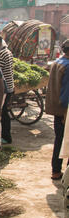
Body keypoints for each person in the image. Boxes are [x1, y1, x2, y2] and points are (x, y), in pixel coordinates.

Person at [45, 39, 69, 180]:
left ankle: (56, 170)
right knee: (64, 141)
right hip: (64, 110)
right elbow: (66, 93)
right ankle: (62, 172)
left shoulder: (57, 62)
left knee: (59, 140)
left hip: (56, 107)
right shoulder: (67, 65)